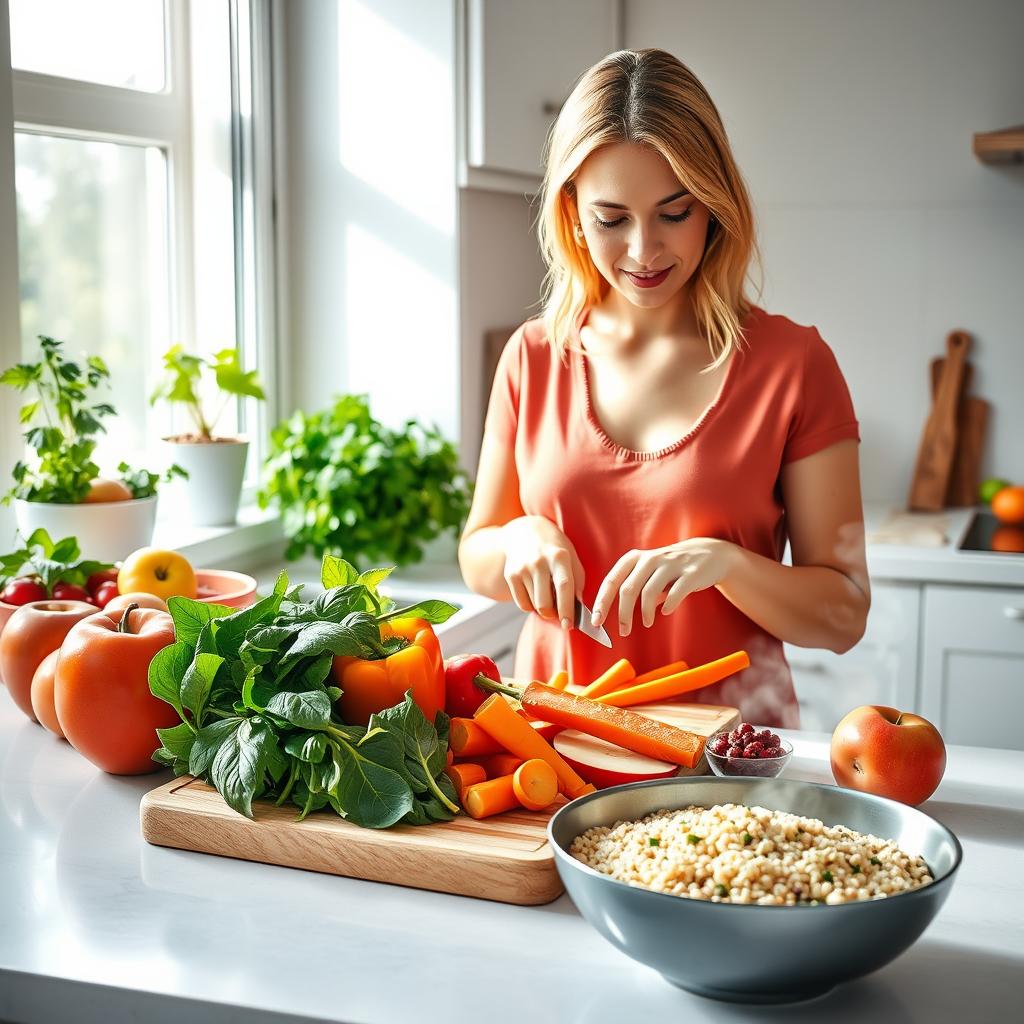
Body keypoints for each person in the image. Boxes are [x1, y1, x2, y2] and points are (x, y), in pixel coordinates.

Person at [458, 48, 869, 728]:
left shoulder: (794, 366)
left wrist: (726, 565)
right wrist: (521, 539)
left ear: (714, 204)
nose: (644, 252)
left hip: (726, 772)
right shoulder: (531, 357)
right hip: (552, 755)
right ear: (572, 214)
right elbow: (477, 555)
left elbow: (843, 614)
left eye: (674, 213)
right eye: (611, 219)